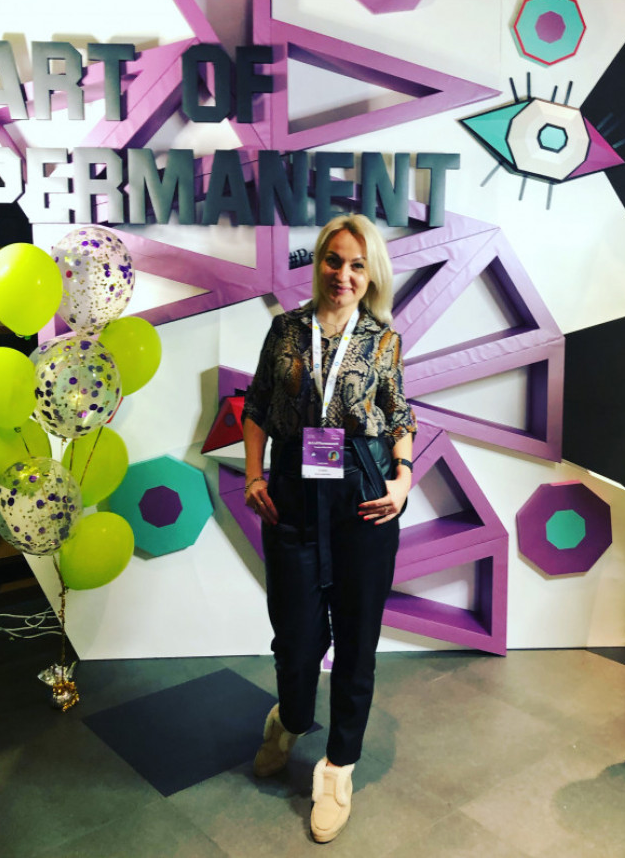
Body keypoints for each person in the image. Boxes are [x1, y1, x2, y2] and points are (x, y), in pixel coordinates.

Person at [241, 213, 416, 843]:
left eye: (357, 265)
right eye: (334, 260)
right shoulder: (285, 331)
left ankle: (338, 766)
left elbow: (401, 416)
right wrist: (253, 474)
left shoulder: (383, 340)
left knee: (357, 642)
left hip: (362, 498)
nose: (343, 274)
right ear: (317, 262)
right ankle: (289, 718)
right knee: (295, 637)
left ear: (371, 275)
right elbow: (257, 406)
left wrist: (403, 480)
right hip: (292, 494)